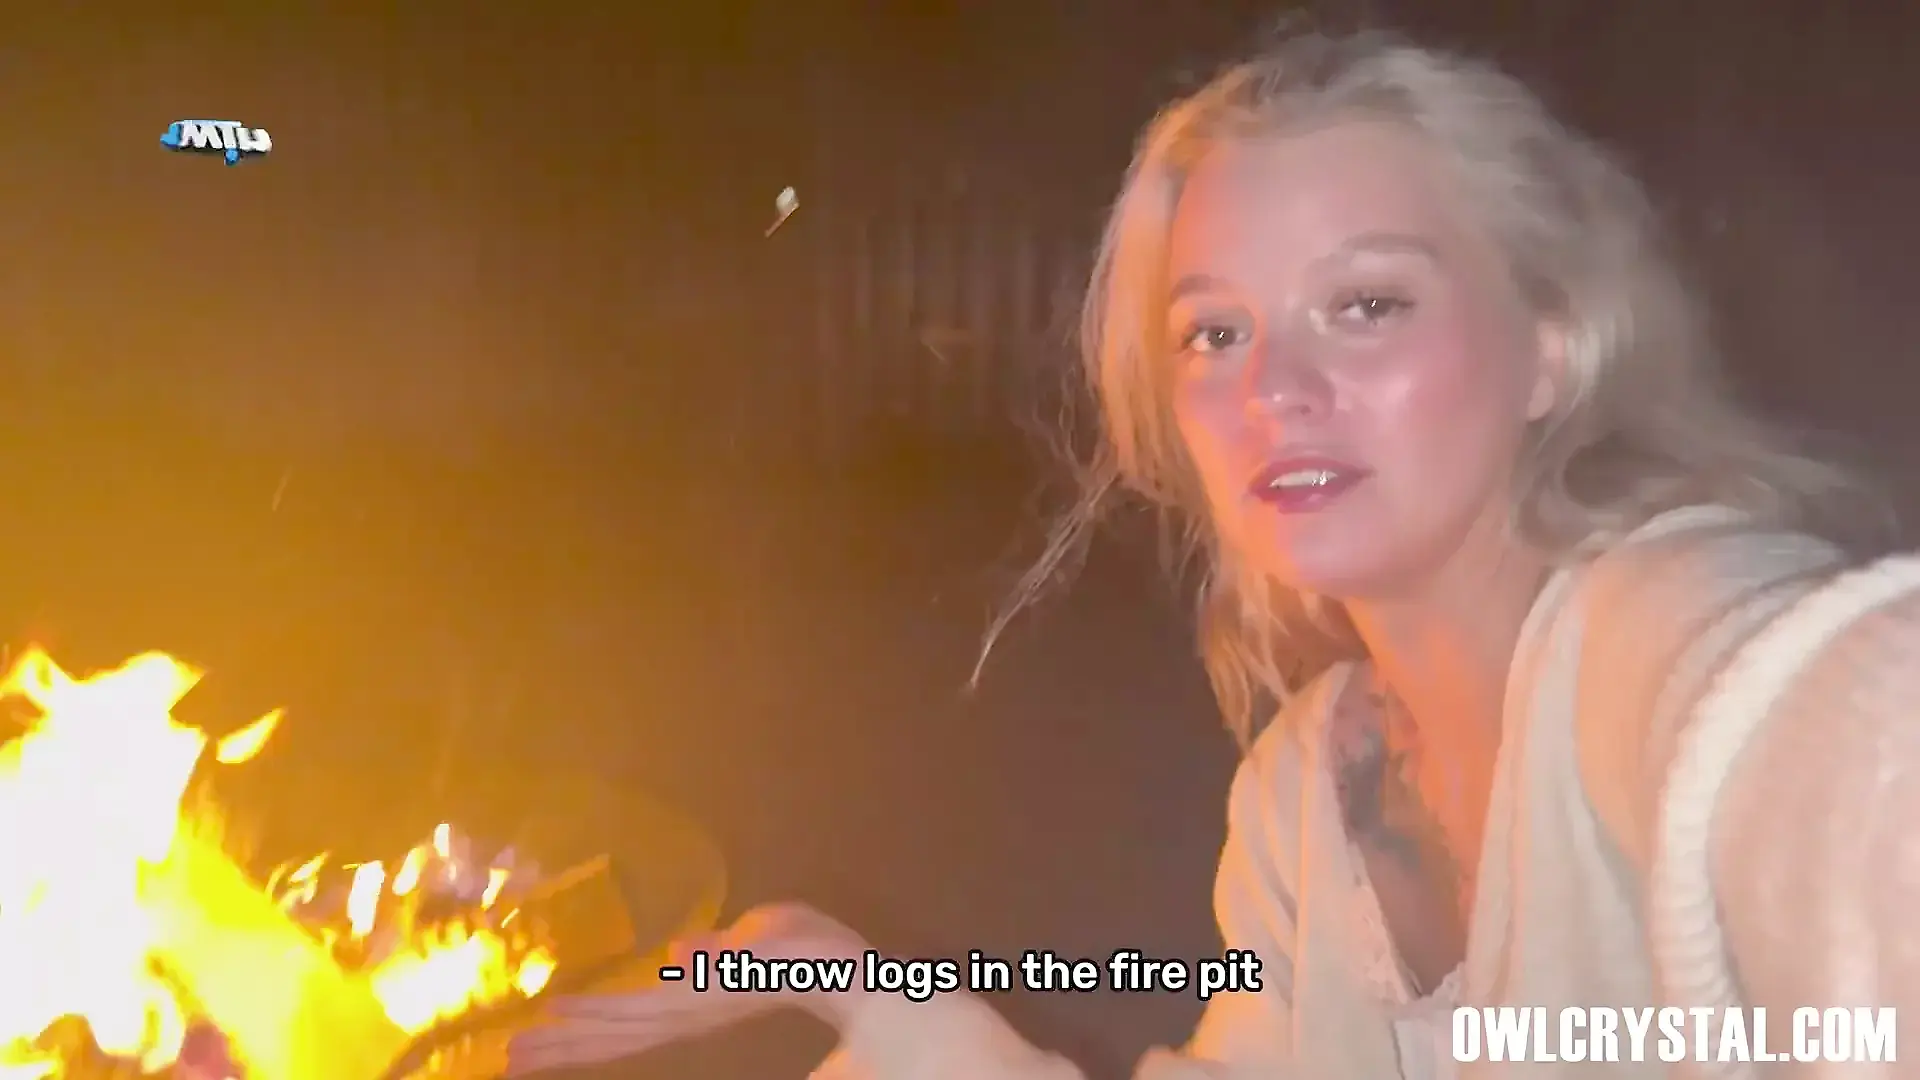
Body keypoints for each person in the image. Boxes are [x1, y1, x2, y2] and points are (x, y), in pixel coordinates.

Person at [507, 28, 1920, 1079]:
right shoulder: (1306, 796)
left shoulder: (1654, 633)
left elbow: (1835, 743)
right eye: (1214, 333)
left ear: (1552, 346)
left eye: (1367, 305)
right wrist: (884, 998)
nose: (1272, 391)